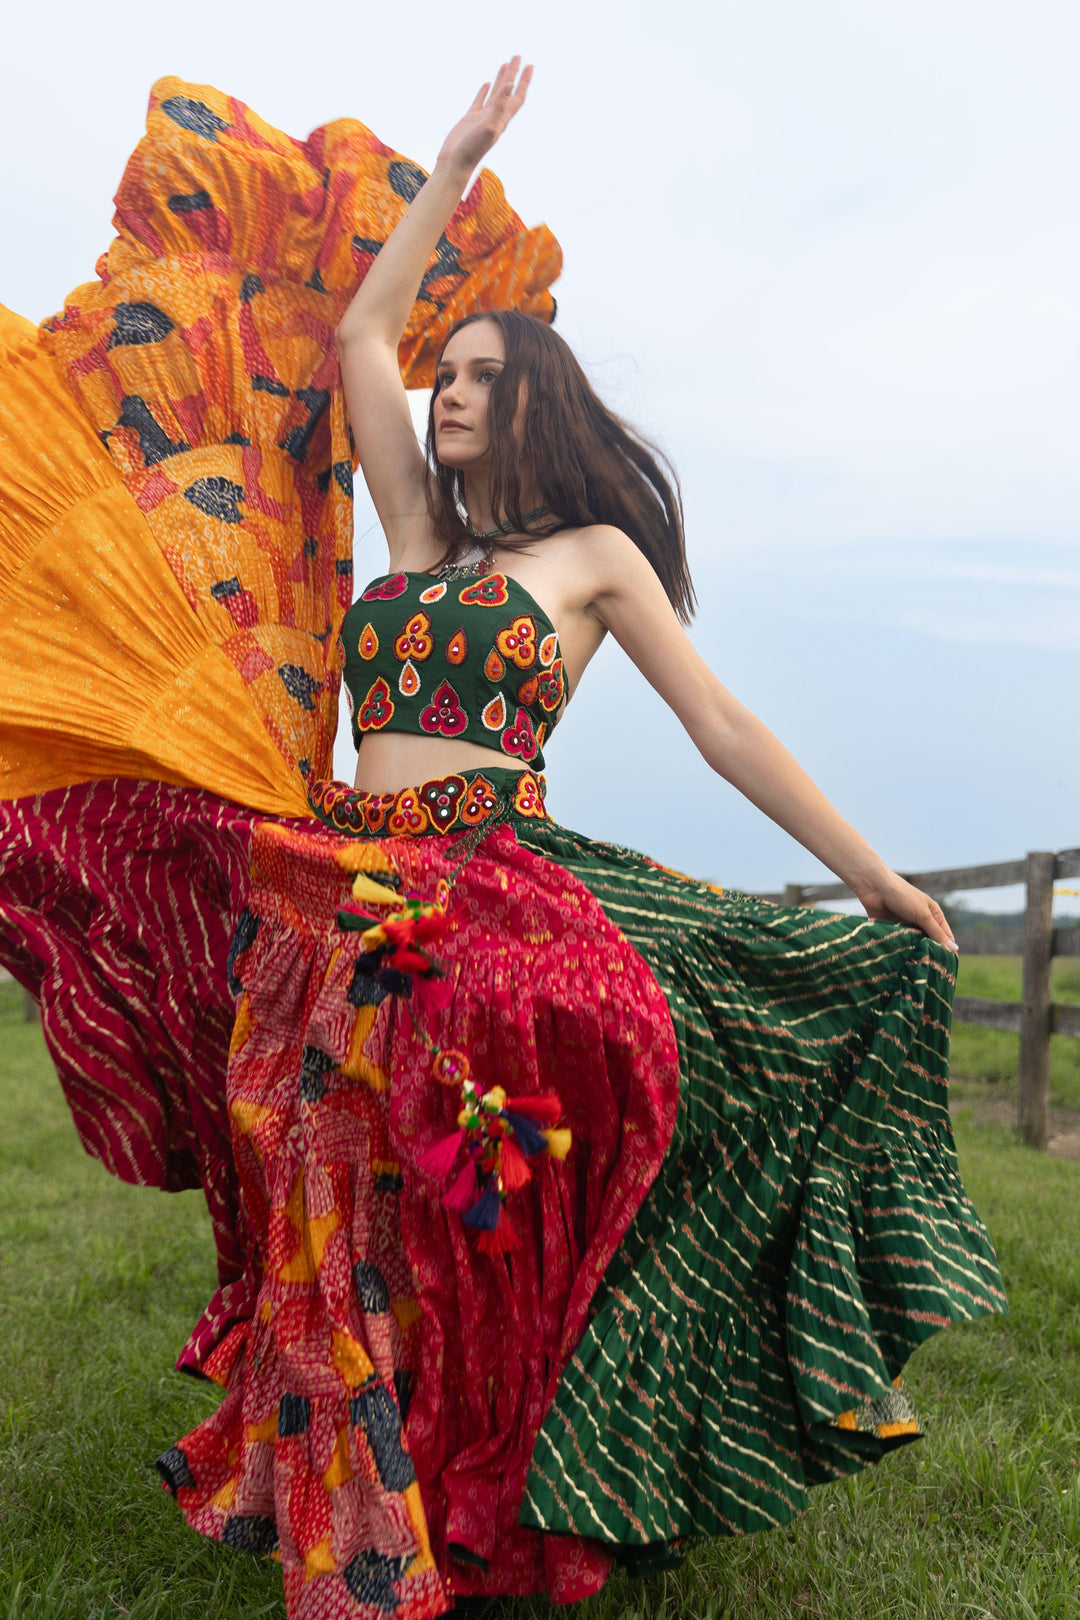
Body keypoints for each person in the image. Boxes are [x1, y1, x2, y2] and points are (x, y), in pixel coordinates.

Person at [0, 62, 1005, 1620]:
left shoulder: (589, 557)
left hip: (489, 876)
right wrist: (455, 171)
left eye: (474, 374)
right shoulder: (416, 544)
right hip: (345, 873)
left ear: (534, 396)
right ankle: (348, 1486)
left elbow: (721, 727)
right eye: (444, 374)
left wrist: (878, 878)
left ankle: (513, 1456)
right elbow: (352, 345)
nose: (447, 392)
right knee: (316, 1177)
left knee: (495, 1168)